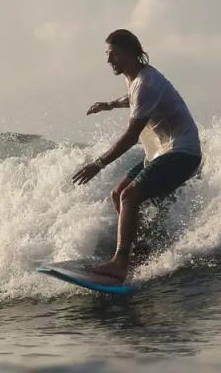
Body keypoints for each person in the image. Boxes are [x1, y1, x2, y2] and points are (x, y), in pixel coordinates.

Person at [72, 29, 201, 282]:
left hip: (183, 153)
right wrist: (108, 105)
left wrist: (97, 164)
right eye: (107, 55)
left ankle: (120, 263)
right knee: (118, 194)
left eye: (114, 55)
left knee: (130, 195)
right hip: (161, 153)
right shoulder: (135, 80)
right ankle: (139, 253)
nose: (109, 61)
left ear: (131, 53)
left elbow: (132, 137)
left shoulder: (147, 83)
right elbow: (130, 98)